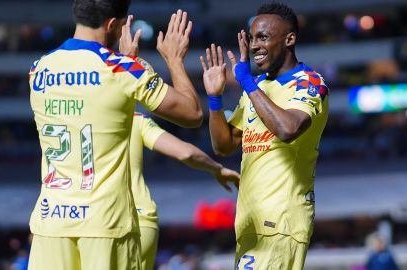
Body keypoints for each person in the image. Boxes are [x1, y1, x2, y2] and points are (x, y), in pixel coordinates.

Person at [27, 0, 203, 268]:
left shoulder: (39, 69)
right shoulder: (122, 68)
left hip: (51, 223)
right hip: (106, 224)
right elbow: (192, 114)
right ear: (112, 24)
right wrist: (174, 59)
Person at [200, 2, 329, 269]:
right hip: (250, 223)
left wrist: (246, 83)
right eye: (251, 38)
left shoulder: (309, 82)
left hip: (280, 222)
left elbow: (288, 129)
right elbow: (223, 146)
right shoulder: (258, 87)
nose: (253, 45)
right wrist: (215, 99)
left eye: (263, 37)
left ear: (290, 39)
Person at [130, 112, 240, 270]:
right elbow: (186, 153)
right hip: (138, 219)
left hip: (89, 217)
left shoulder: (81, 117)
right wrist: (217, 169)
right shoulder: (136, 119)